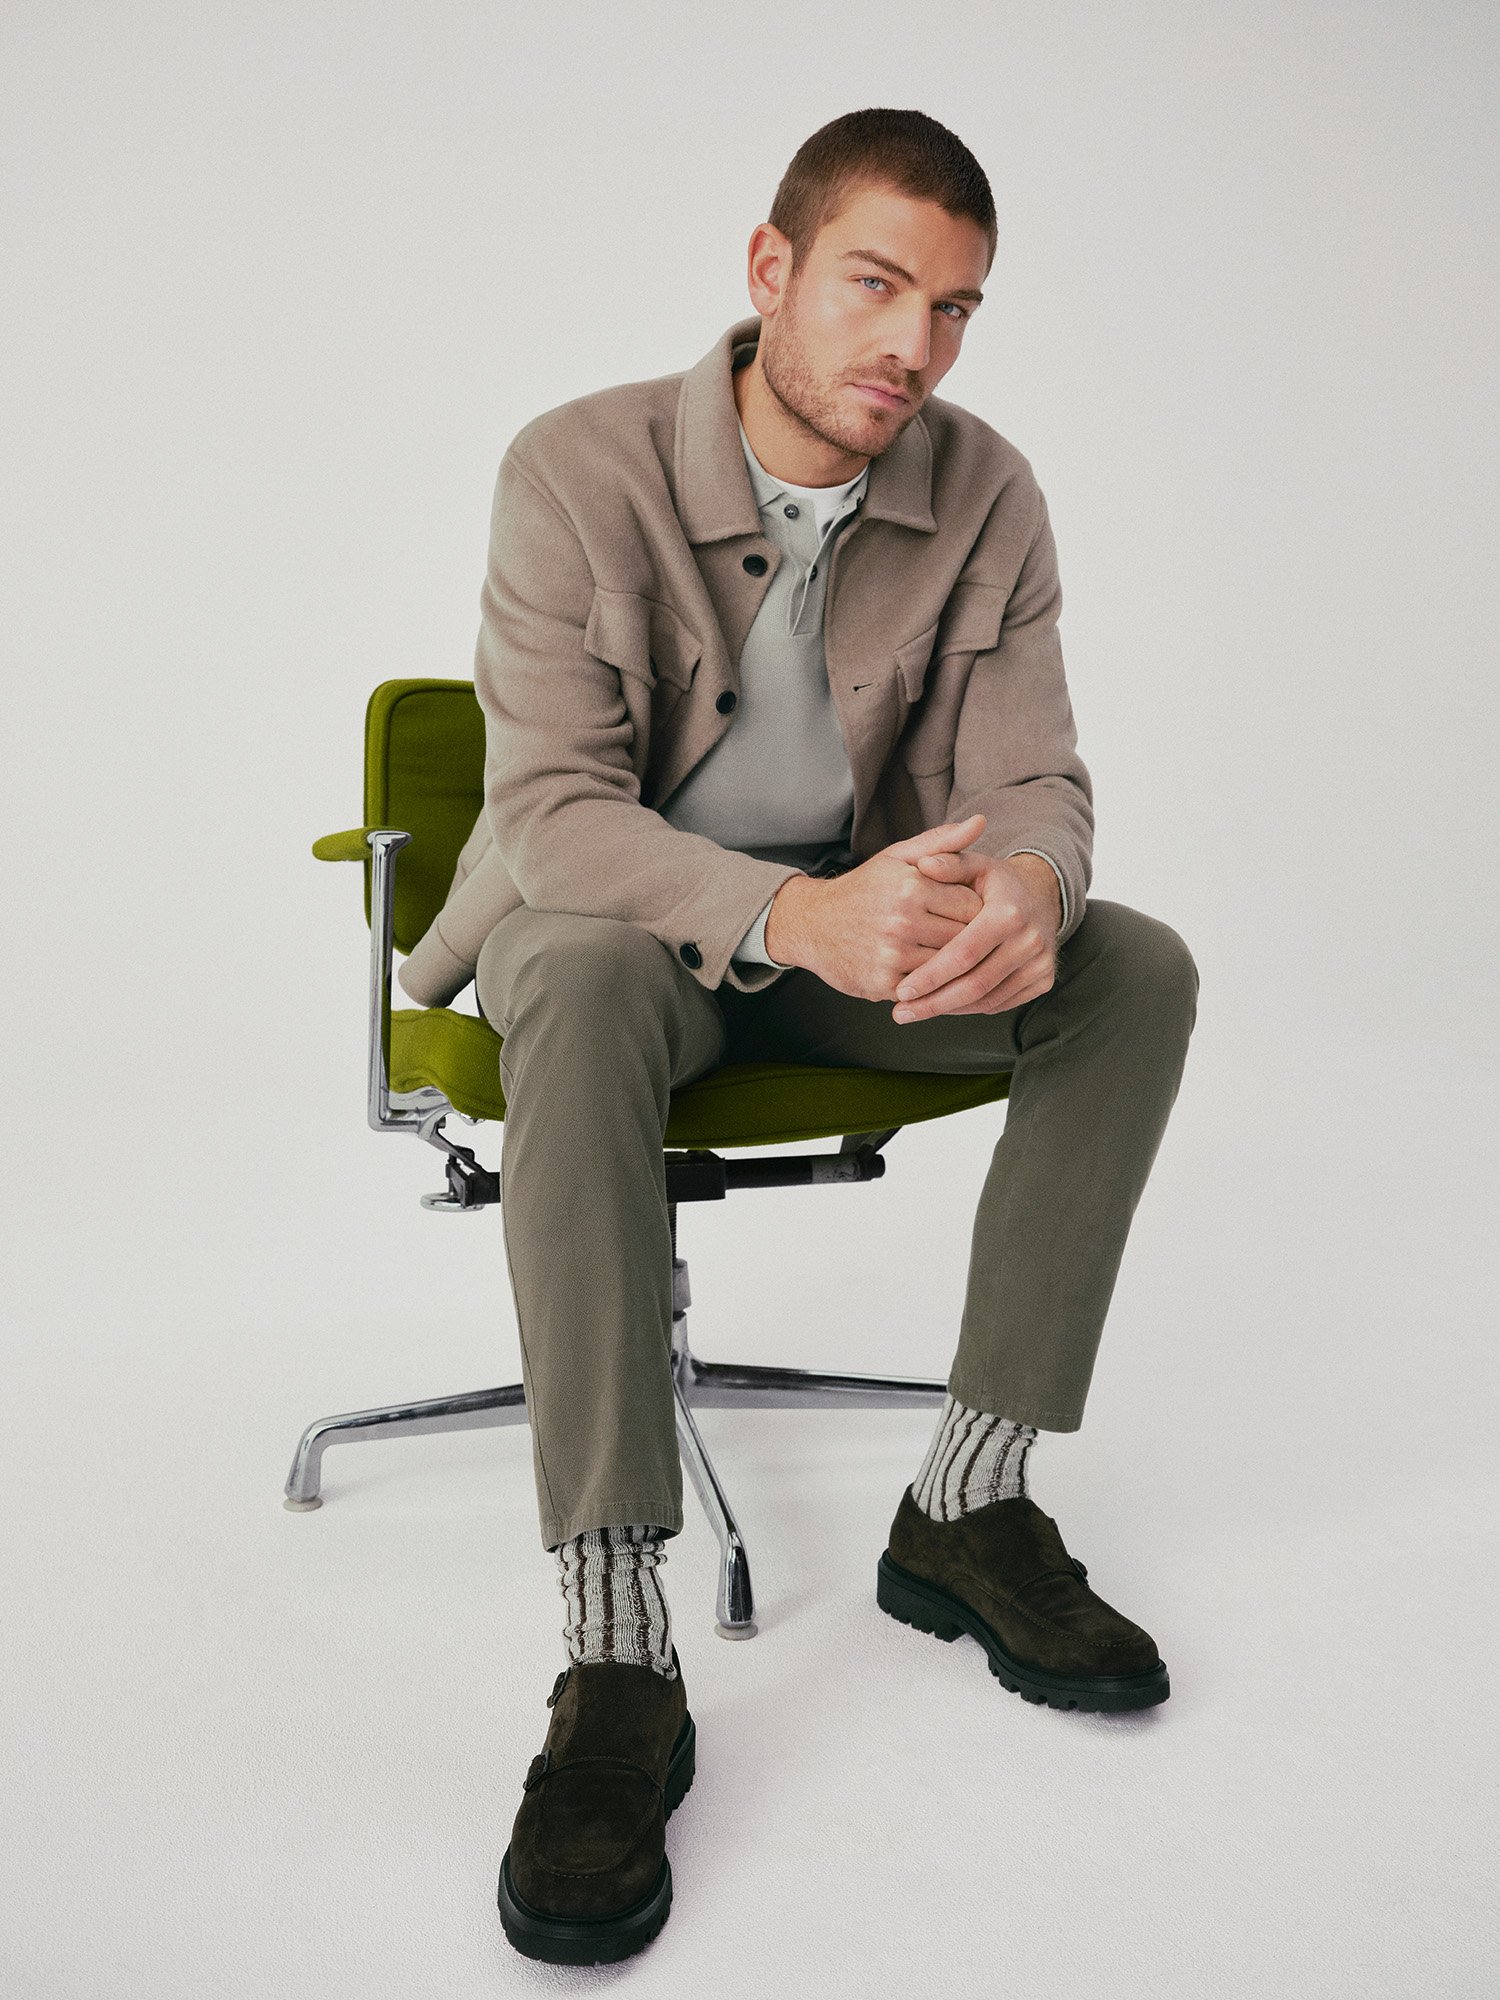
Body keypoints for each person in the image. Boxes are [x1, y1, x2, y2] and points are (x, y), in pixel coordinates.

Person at [397, 107, 1199, 1965]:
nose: (915, 344)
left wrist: (1030, 884)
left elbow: (1036, 775)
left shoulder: (987, 492)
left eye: (956, 308)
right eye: (876, 284)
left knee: (1134, 970)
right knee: (582, 972)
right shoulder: (577, 467)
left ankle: (968, 1506)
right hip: (619, 936)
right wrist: (785, 913)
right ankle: (617, 1643)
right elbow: (552, 814)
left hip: (858, 940)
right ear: (770, 270)